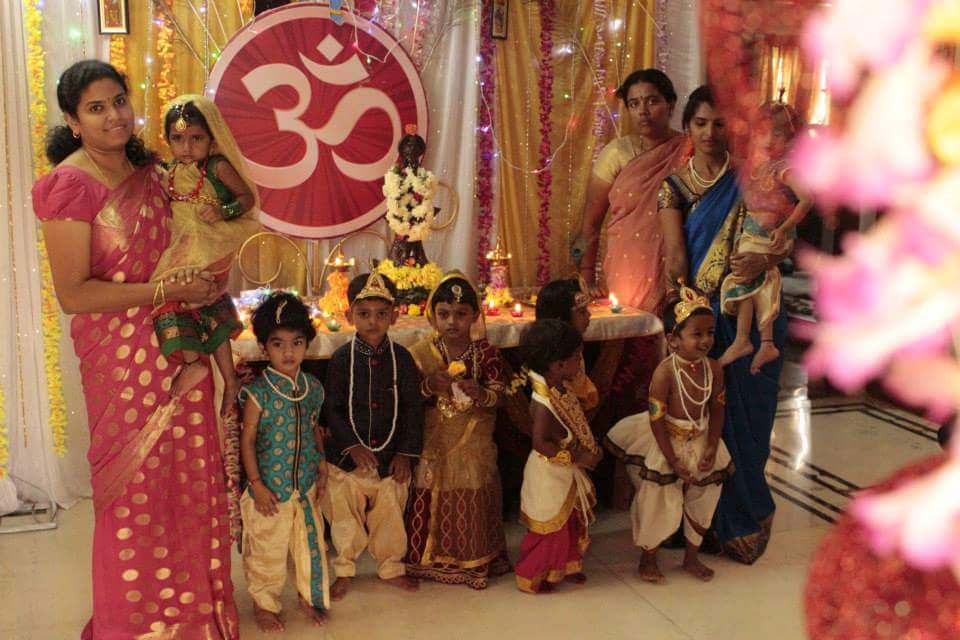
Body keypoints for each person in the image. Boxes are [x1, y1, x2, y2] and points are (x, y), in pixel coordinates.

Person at [33, 60, 239, 639]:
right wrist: (167, 291)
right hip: (121, 360)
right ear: (73, 121)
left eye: (119, 101)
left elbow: (190, 243)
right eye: (96, 108)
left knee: (189, 480)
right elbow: (74, 294)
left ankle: (192, 615)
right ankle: (137, 623)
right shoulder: (69, 185)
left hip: (182, 347)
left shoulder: (156, 173)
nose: (114, 116)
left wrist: (204, 280)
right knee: (135, 490)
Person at [659, 85, 787, 564]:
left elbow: (783, 237)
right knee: (699, 419)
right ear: (687, 127)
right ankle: (698, 521)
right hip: (703, 320)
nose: (710, 133)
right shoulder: (674, 187)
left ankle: (745, 514)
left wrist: (765, 259)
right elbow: (676, 256)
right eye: (701, 123)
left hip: (755, 309)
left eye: (720, 124)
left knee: (749, 417)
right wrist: (686, 312)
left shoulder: (755, 176)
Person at [605, 284, 734, 583]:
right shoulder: (665, 373)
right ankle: (648, 557)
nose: (706, 340)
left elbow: (717, 410)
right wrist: (672, 459)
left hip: (701, 436)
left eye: (710, 332)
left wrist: (711, 446)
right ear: (673, 340)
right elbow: (656, 421)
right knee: (658, 497)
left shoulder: (714, 369)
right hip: (666, 439)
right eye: (696, 334)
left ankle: (691, 557)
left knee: (705, 494)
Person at [321, 272, 424, 600]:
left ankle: (391, 566)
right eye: (364, 314)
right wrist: (351, 446)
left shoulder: (403, 359)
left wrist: (405, 453)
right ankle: (344, 569)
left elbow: (413, 409)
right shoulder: (341, 359)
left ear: (394, 316)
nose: (373, 322)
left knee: (391, 508)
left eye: (381, 314)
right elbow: (332, 409)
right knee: (342, 511)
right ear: (349, 315)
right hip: (347, 460)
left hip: (390, 457)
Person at [404, 272, 511, 589]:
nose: (452, 321)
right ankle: (427, 560)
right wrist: (428, 385)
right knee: (430, 485)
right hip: (433, 436)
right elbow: (407, 399)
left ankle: (473, 562)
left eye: (461, 314)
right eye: (444, 313)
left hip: (474, 438)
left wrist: (480, 393)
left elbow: (500, 398)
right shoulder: (420, 353)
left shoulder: (486, 354)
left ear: (475, 316)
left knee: (471, 484)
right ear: (432, 315)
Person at [152, 94, 261, 400]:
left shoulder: (217, 166)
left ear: (212, 138)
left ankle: (192, 364)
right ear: (168, 140)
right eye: (178, 139)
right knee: (207, 310)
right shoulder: (171, 170)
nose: (186, 147)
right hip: (185, 247)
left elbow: (247, 198)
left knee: (176, 296)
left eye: (196, 138)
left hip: (211, 246)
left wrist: (223, 211)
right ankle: (229, 379)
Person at [239, 292, 329, 632]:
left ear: (307, 344)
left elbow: (314, 429)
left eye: (296, 343)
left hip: (304, 485)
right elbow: (247, 440)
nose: (288, 352)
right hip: (269, 490)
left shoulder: (313, 387)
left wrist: (321, 466)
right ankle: (264, 603)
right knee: (268, 550)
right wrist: (256, 485)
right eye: (278, 344)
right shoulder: (258, 393)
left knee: (309, 545)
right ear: (264, 348)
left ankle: (307, 596)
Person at [573, 68, 687, 310]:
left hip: (679, 266)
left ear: (671, 103)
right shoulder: (616, 153)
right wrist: (587, 276)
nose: (643, 111)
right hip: (627, 269)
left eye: (652, 101)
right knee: (629, 329)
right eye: (634, 104)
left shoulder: (689, 150)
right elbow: (590, 223)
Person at [719, 102, 812, 373]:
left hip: (767, 235)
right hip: (750, 232)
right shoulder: (757, 167)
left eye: (778, 134)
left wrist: (784, 228)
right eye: (763, 133)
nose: (770, 140)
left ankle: (752, 340)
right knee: (751, 283)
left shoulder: (784, 168)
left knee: (755, 279)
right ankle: (753, 340)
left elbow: (807, 199)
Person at [514, 320, 603, 594]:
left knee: (571, 522)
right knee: (552, 529)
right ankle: (534, 575)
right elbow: (540, 442)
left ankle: (566, 566)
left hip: (566, 473)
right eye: (576, 356)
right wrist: (575, 457)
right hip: (550, 473)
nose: (580, 361)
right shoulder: (543, 402)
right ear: (557, 365)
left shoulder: (561, 386)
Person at [534, 277, 598, 410]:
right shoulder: (556, 357)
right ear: (560, 320)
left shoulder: (571, 345)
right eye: (582, 312)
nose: (589, 315)